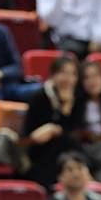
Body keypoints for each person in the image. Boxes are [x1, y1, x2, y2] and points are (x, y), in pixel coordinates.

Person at [23, 55, 84, 189]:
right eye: (63, 73)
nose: (68, 78)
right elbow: (29, 133)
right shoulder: (40, 97)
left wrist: (66, 110)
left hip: (68, 148)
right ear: (53, 75)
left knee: (71, 145)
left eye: (73, 74)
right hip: (42, 150)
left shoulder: (78, 97)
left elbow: (75, 129)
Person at [36, 0, 101, 59]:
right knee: (71, 53)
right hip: (67, 37)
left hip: (94, 36)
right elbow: (50, 21)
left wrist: (99, 39)